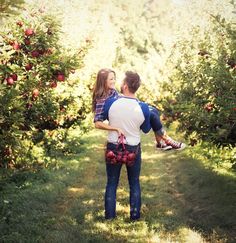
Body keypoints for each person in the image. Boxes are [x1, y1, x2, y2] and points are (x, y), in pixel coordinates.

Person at [93, 71, 151, 220]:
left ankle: (110, 217)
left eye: (116, 79)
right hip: (133, 147)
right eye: (111, 79)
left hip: (113, 145)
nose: (115, 82)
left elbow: (106, 115)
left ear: (124, 85)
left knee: (112, 182)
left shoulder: (112, 101)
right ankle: (135, 216)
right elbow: (145, 129)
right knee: (134, 182)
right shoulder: (142, 106)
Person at [92, 68, 186, 151]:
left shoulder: (111, 91)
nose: (114, 81)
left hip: (123, 110)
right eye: (111, 79)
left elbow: (120, 98)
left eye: (114, 78)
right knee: (152, 114)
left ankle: (160, 141)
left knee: (152, 110)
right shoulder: (101, 98)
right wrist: (115, 128)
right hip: (120, 115)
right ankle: (166, 139)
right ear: (103, 81)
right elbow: (97, 123)